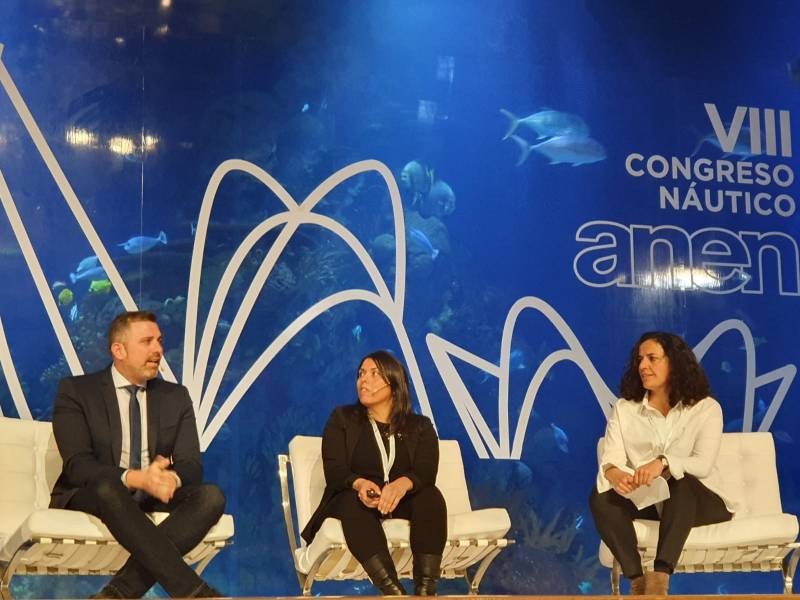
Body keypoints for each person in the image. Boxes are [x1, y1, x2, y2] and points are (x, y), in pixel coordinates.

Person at [50, 311, 225, 599]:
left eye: (159, 341)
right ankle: (193, 592)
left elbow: (191, 463)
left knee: (211, 496)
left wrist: (171, 480)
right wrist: (135, 478)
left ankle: (118, 593)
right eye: (147, 341)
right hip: (93, 494)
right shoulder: (77, 391)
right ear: (118, 350)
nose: (158, 350)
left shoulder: (176, 396)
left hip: (150, 497)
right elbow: (77, 466)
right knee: (109, 487)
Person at [589, 332, 735, 596]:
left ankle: (660, 579)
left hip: (702, 501)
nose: (643, 366)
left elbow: (701, 465)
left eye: (652, 358)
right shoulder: (624, 408)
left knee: (679, 483)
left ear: (675, 363)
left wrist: (663, 463)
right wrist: (617, 475)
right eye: (639, 360)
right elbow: (611, 460)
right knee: (601, 498)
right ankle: (638, 581)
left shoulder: (706, 408)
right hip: (651, 501)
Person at [301, 350, 447, 595]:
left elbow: (426, 470)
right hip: (355, 500)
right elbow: (335, 470)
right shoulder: (343, 418)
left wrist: (401, 485)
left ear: (394, 382)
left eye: (373, 374)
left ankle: (426, 590)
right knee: (351, 501)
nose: (363, 380)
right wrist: (359, 484)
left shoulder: (420, 426)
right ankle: (393, 591)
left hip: (400, 500)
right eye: (360, 374)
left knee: (430, 496)